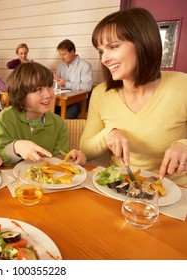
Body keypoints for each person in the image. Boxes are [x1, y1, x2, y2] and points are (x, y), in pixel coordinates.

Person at [80, 7, 187, 185]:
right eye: (101, 51)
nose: (104, 59)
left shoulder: (182, 85)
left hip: (175, 192)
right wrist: (108, 133)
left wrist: (184, 144)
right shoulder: (101, 93)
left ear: (143, 43)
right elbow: (86, 149)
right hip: (119, 187)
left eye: (113, 47)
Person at [0, 62, 86, 166]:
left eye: (50, 86)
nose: (49, 94)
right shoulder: (5, 118)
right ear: (21, 94)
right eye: (38, 89)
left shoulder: (59, 123)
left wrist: (70, 158)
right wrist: (16, 147)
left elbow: (58, 159)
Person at [55, 39, 93, 119]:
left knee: (64, 118)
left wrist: (66, 83)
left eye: (64, 54)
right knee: (47, 114)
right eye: (60, 55)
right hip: (62, 100)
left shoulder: (85, 65)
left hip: (78, 101)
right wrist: (54, 81)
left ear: (72, 52)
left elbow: (87, 87)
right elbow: (57, 84)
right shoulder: (61, 66)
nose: (62, 57)